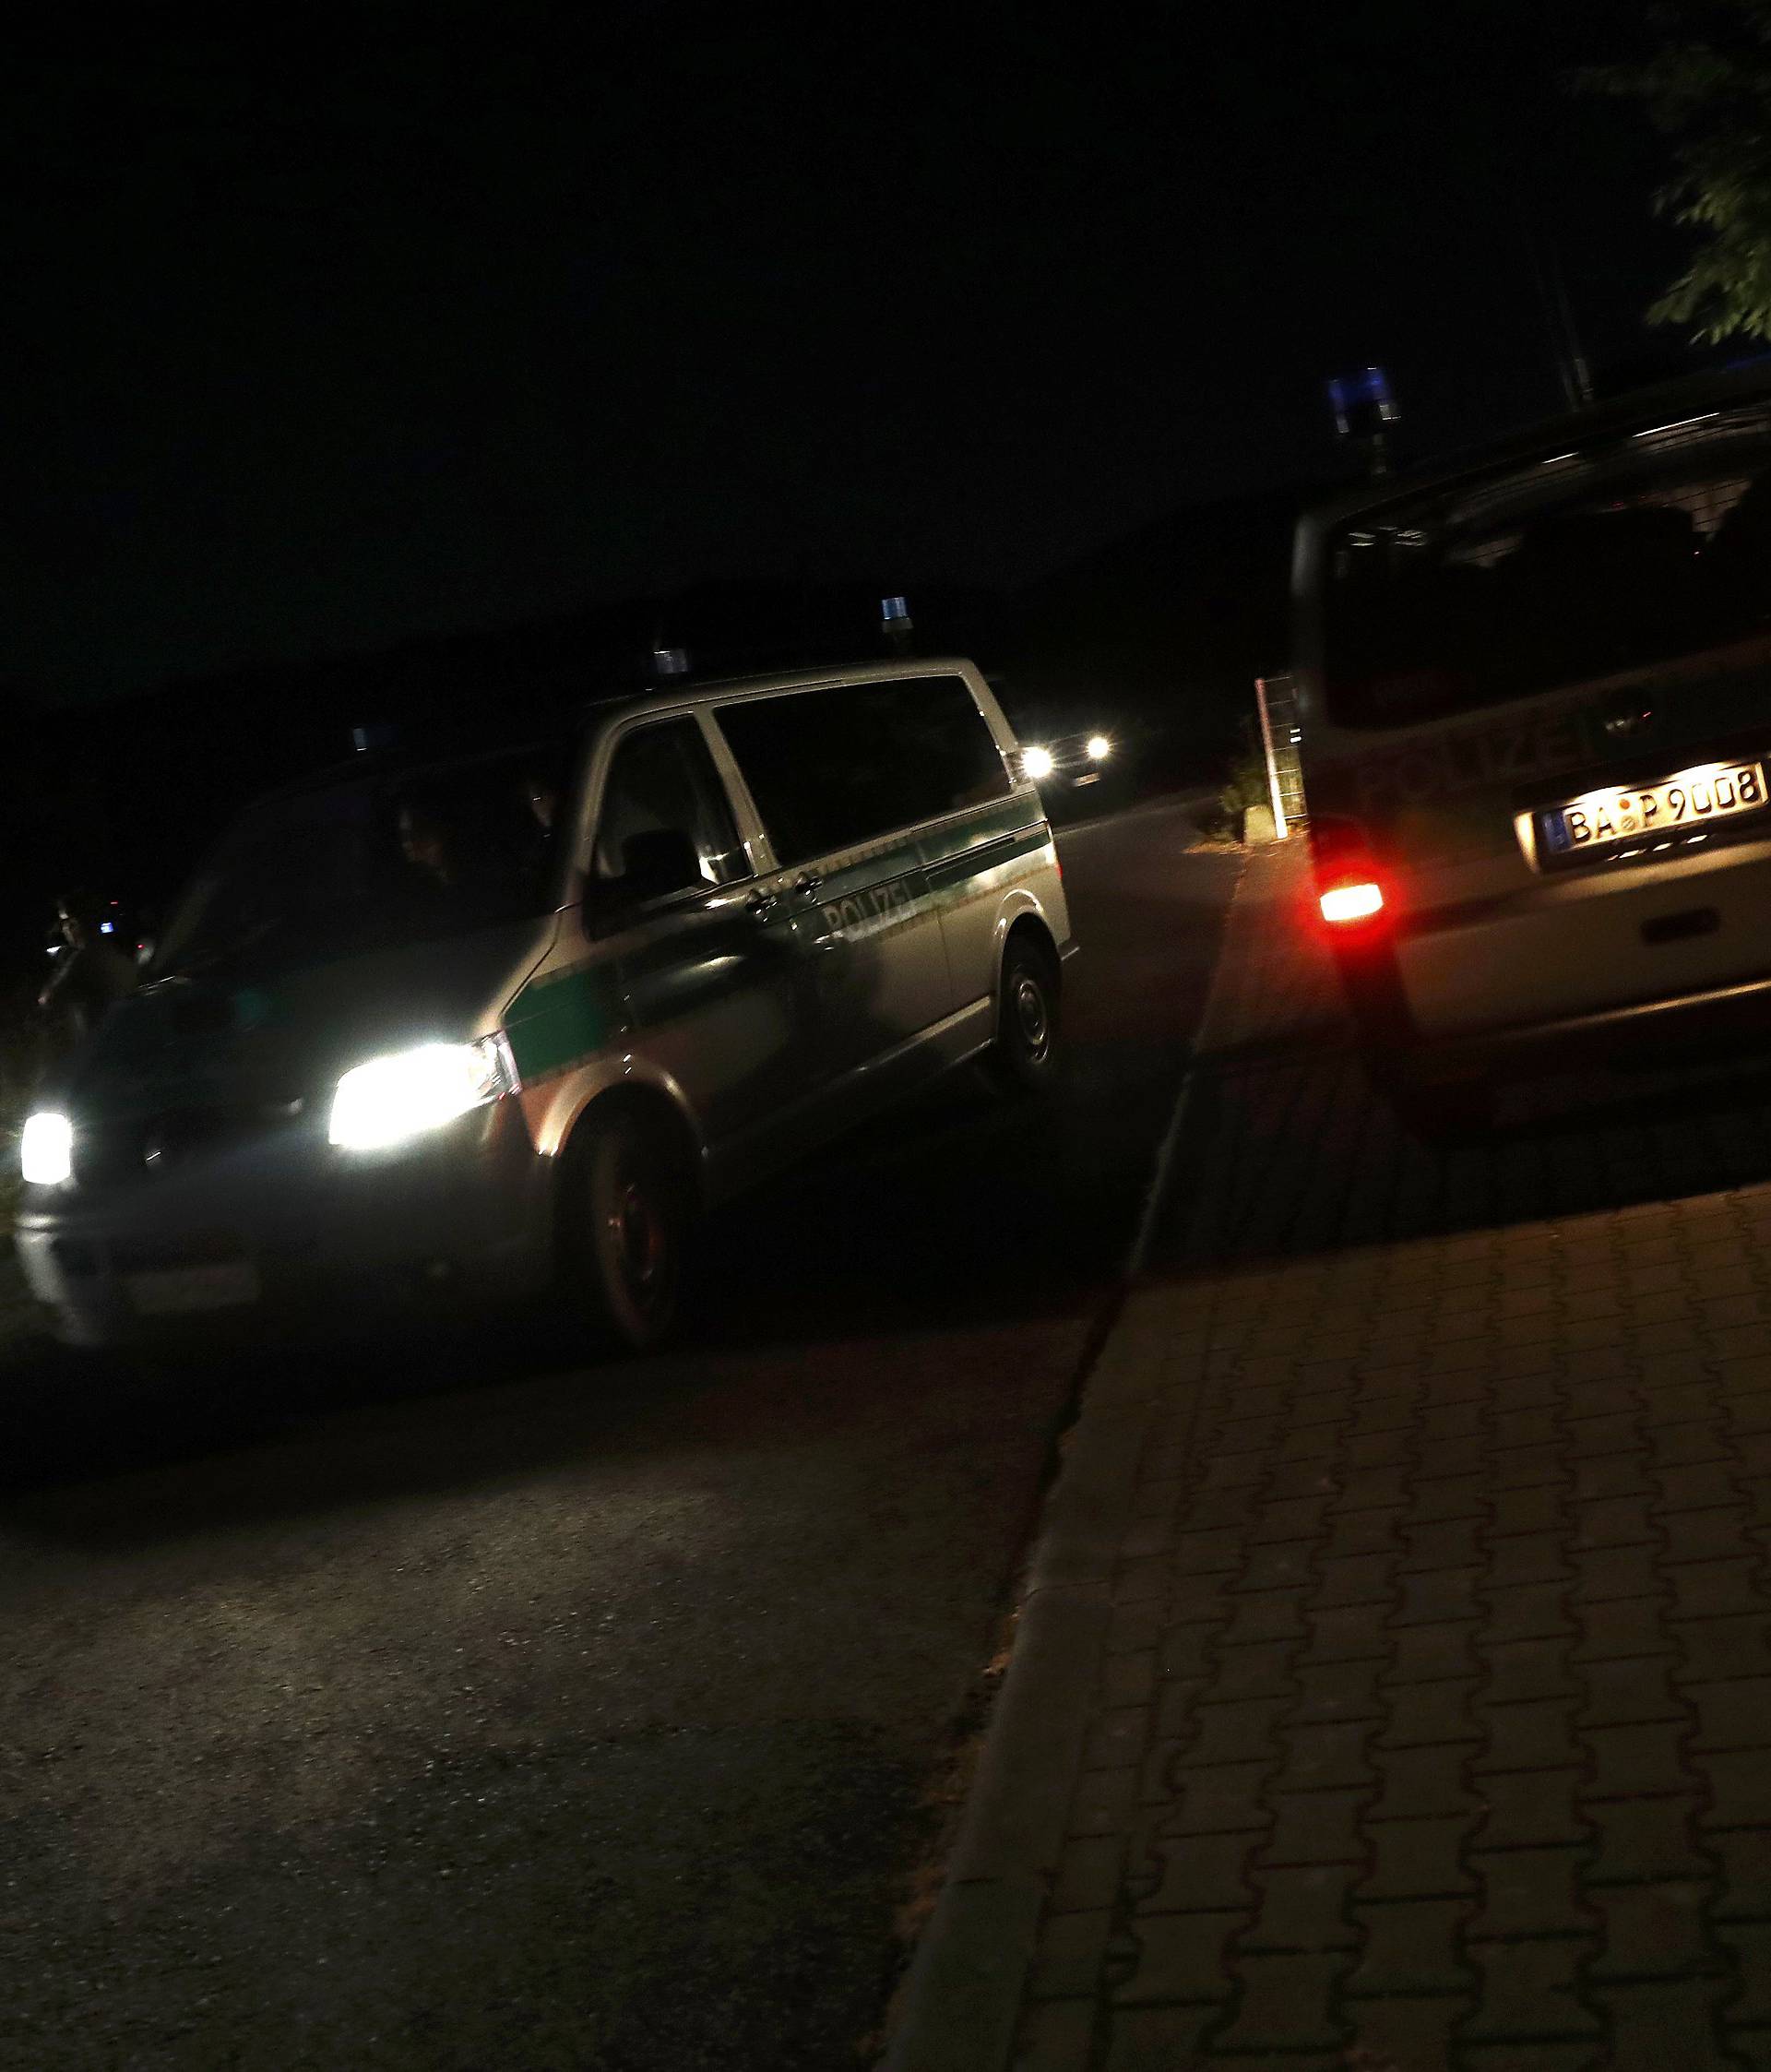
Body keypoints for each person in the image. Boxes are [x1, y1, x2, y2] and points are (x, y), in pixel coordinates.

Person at [38, 890, 137, 1043]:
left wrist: (62, 964)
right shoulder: (113, 952)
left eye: (65, 922)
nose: (64, 929)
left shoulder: (82, 960)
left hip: (98, 1049)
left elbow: (48, 999)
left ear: (75, 923)